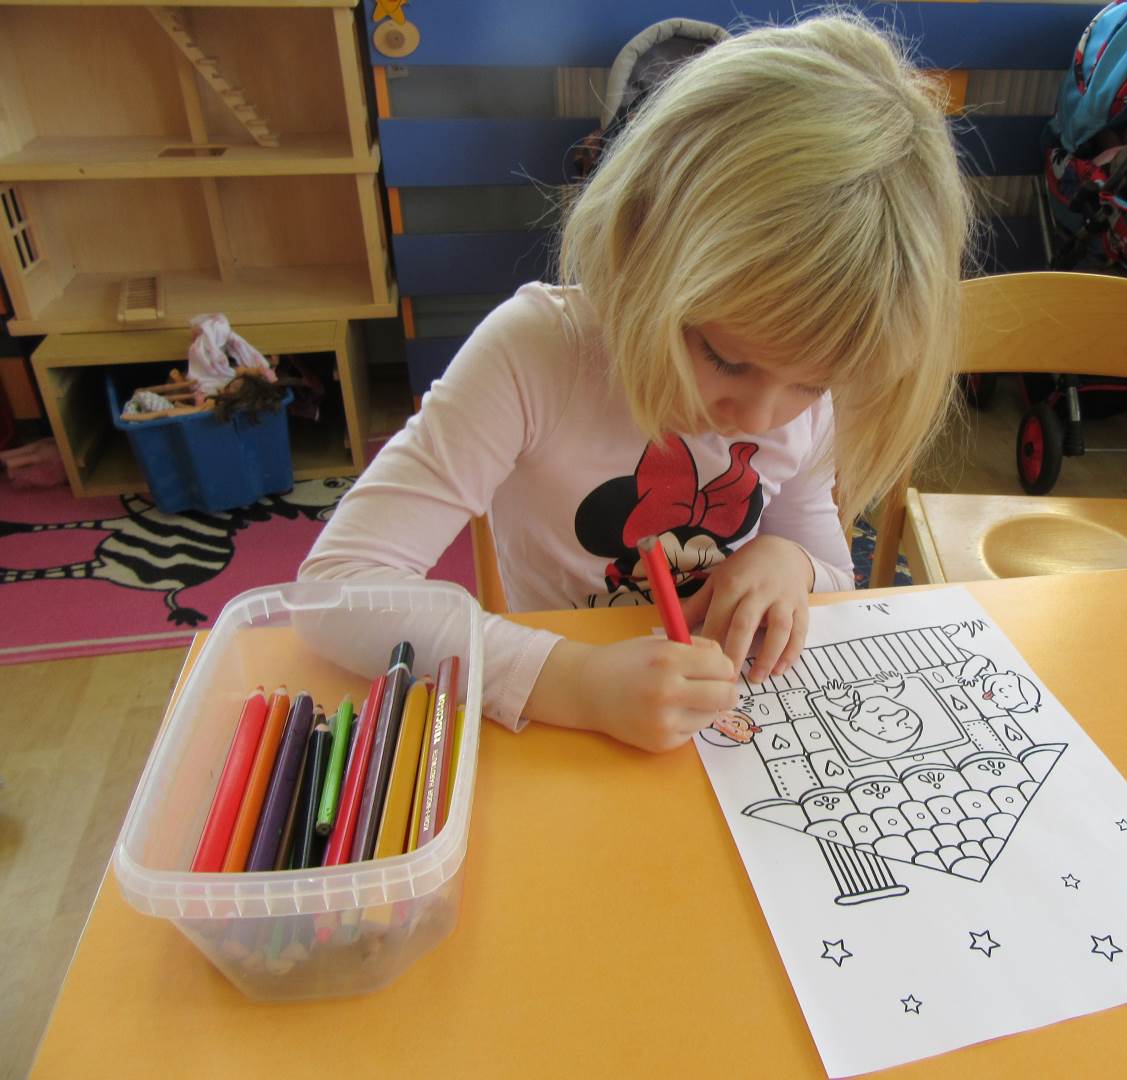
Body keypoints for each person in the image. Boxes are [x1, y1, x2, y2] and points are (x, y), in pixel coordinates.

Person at [300, 12, 973, 753]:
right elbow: (335, 590)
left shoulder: (797, 377)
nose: (760, 417)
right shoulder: (536, 356)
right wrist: (576, 681)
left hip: (715, 741)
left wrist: (790, 565)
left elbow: (833, 572)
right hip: (561, 728)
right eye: (725, 359)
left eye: (814, 387)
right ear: (637, 244)